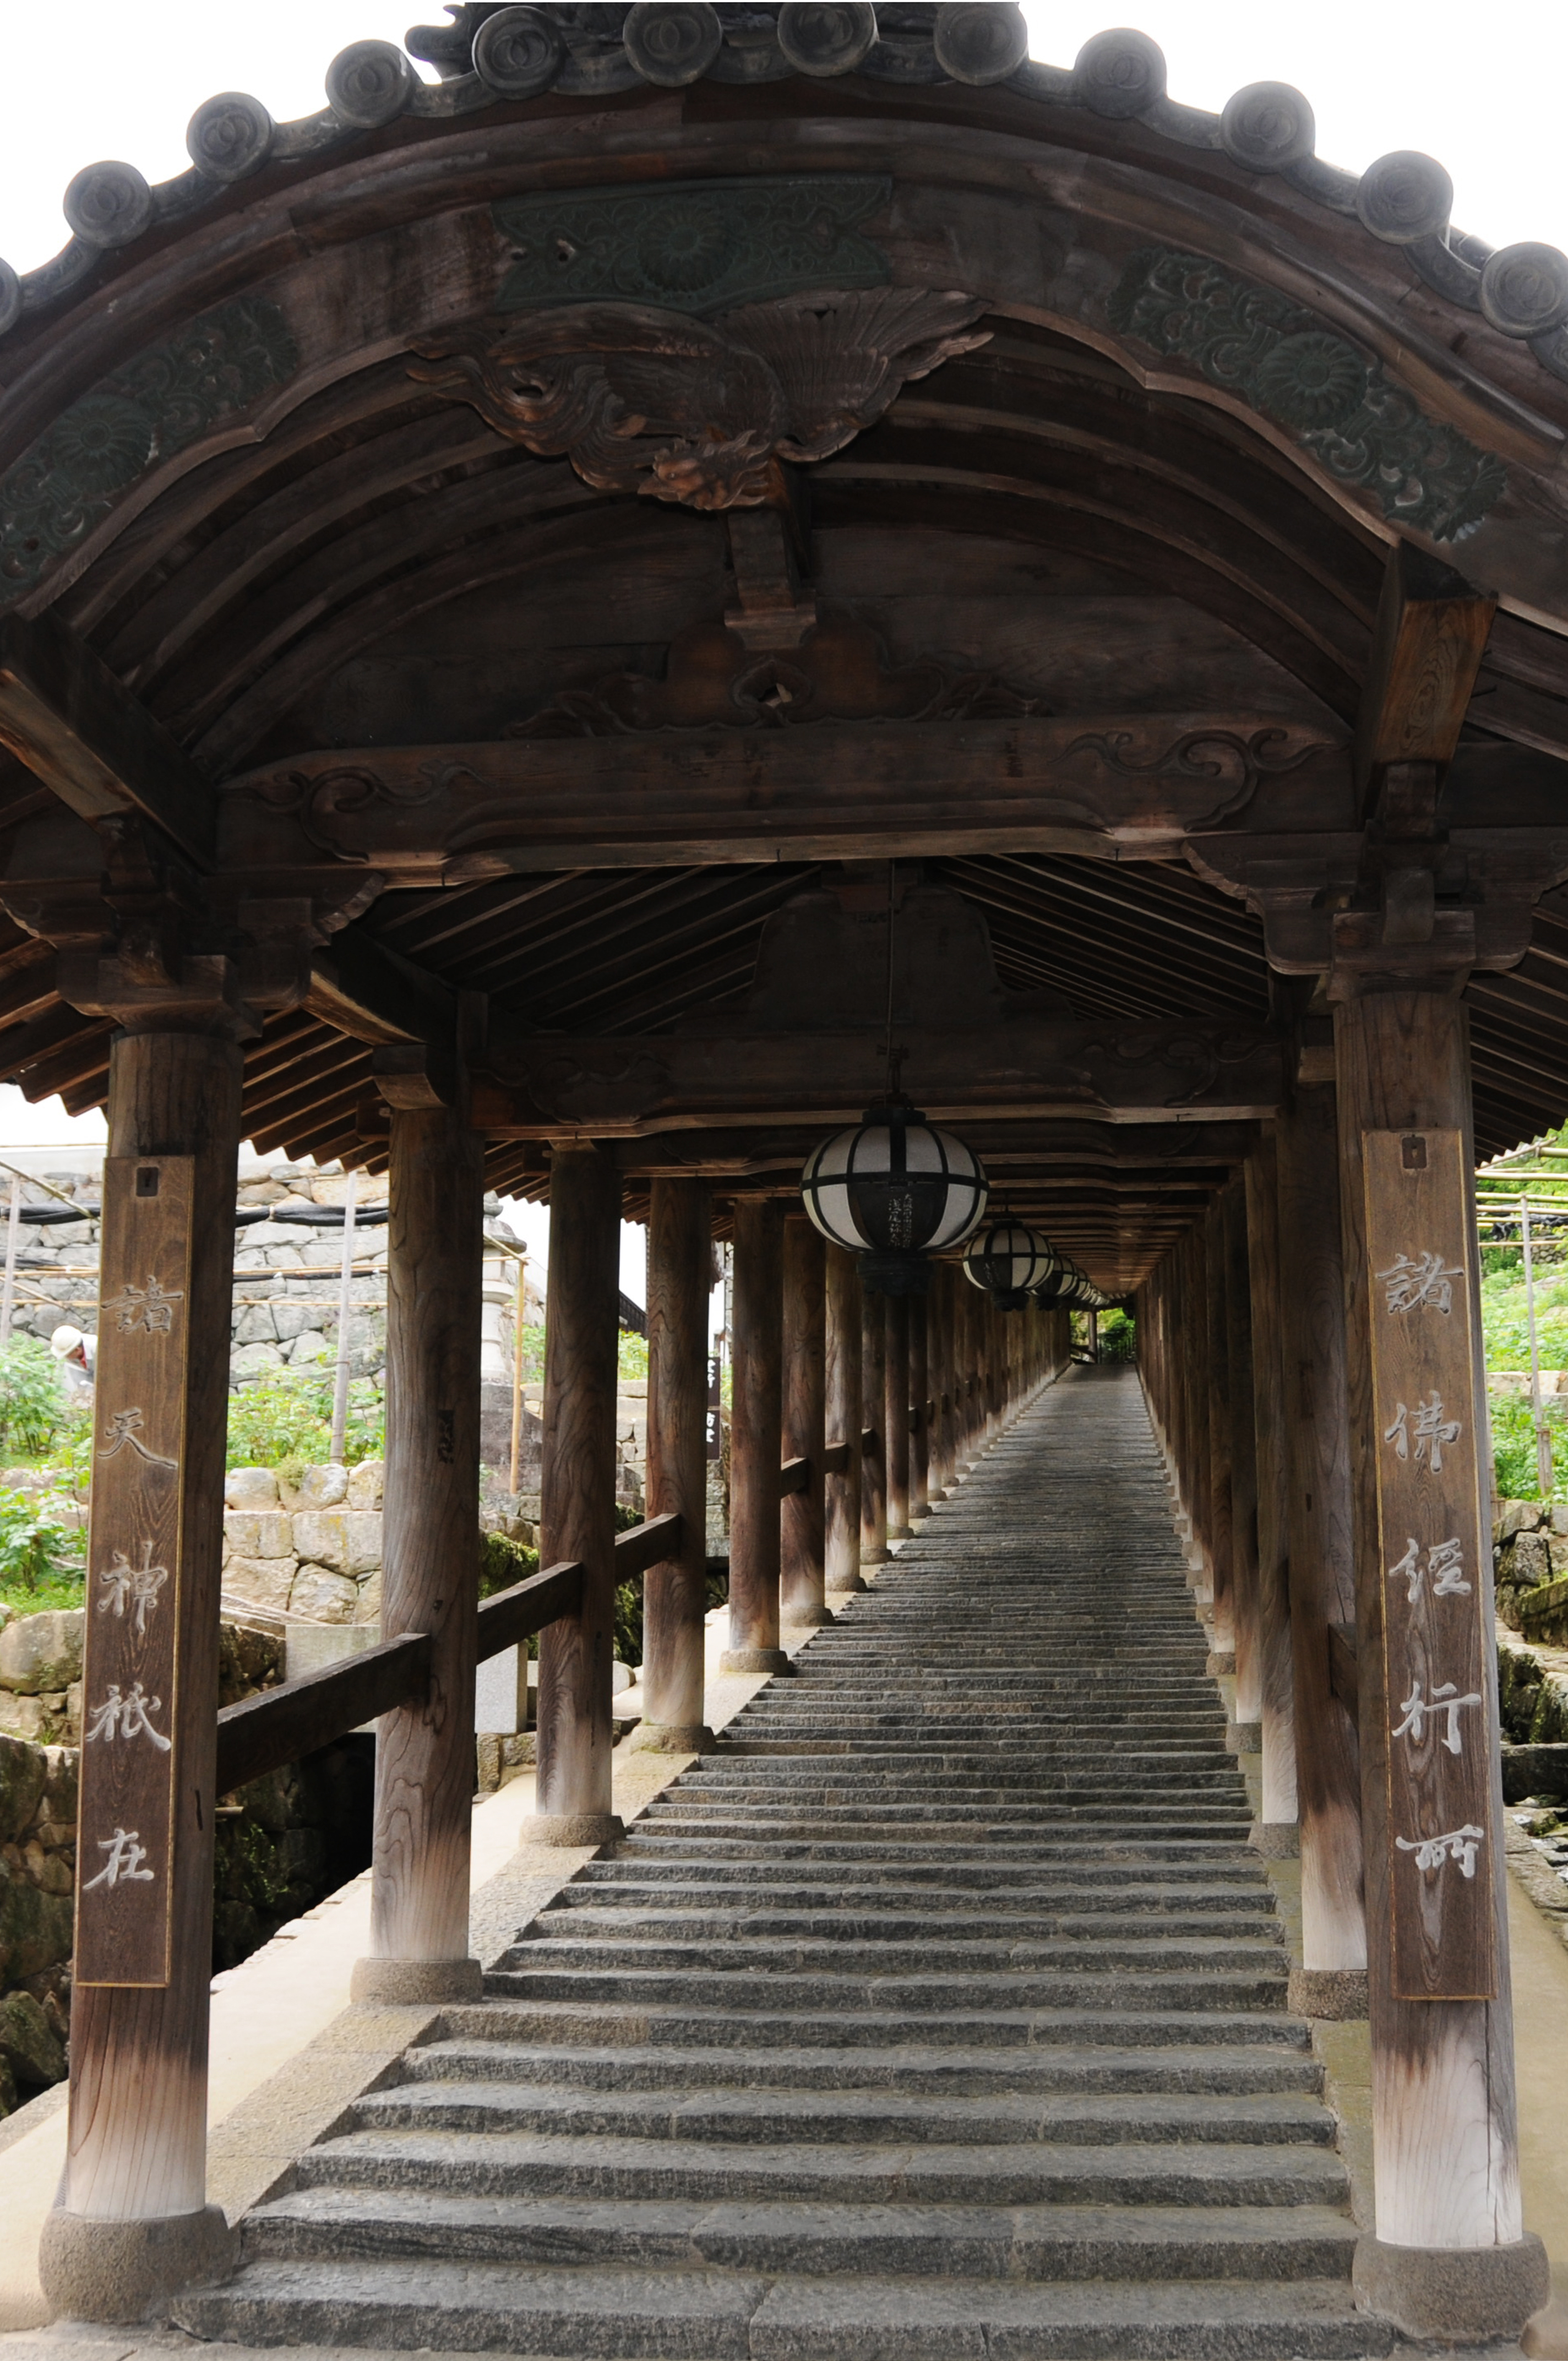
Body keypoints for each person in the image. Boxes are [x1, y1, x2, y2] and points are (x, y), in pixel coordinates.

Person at [49, 1324, 97, 1400]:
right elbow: (60, 1378)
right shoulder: (66, 1352)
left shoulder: (98, 1349)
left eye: (67, 1354)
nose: (65, 1357)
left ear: (77, 1350)